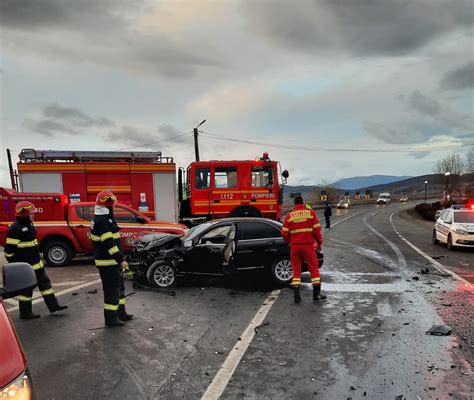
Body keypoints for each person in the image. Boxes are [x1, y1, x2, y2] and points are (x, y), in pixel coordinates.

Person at [4, 201, 68, 319]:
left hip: (37, 265)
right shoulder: (15, 228)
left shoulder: (29, 225)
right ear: (24, 213)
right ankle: (25, 313)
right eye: (31, 213)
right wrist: (18, 265)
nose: (34, 215)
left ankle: (53, 306)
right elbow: (8, 252)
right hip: (26, 268)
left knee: (46, 286)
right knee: (26, 291)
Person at [90, 191, 134, 327]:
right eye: (112, 204)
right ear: (107, 204)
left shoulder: (104, 218)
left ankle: (121, 313)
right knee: (112, 291)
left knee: (119, 288)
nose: (113, 206)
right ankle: (111, 319)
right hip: (108, 263)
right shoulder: (102, 221)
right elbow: (109, 244)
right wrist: (121, 260)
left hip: (112, 262)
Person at [282, 196, 326, 303]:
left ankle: (297, 296)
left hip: (295, 247)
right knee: (313, 268)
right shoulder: (310, 213)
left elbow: (284, 232)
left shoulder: (289, 215)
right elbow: (317, 230)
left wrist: (288, 242)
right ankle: (317, 295)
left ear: (295, 204)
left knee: (296, 270)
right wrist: (319, 243)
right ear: (303, 203)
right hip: (308, 246)